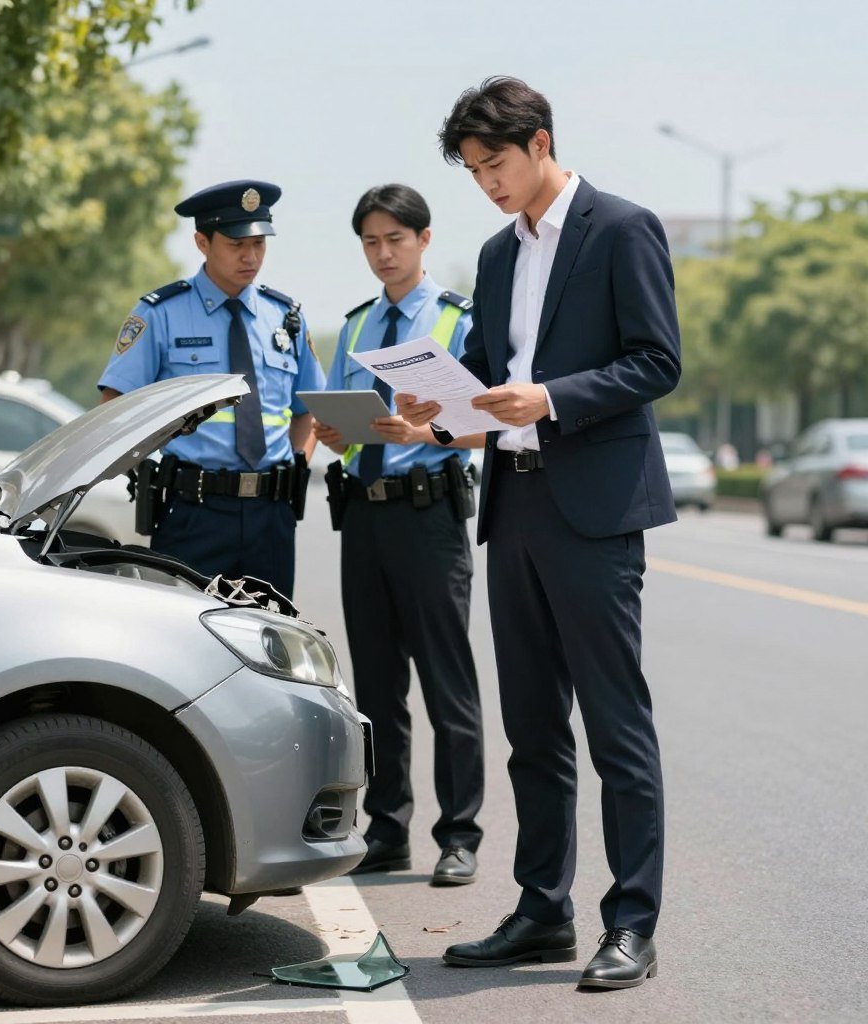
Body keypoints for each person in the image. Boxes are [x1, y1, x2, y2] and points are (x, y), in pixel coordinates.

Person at [397, 78, 681, 989]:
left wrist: (553, 398)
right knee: (531, 729)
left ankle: (631, 923)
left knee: (615, 726)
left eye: (496, 164)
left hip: (594, 510)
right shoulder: (493, 252)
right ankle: (542, 910)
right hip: (512, 504)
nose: (487, 184)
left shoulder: (621, 227)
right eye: (474, 172)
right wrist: (430, 418)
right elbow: (484, 375)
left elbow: (656, 360)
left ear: (541, 142)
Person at [312, 184, 486, 886]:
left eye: (396, 240)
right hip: (366, 514)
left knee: (448, 684)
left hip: (430, 514)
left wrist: (424, 430)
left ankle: (460, 835)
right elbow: (336, 426)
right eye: (371, 242)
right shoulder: (355, 326)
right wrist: (333, 434)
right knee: (378, 687)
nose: (384, 254)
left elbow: (489, 421)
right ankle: (388, 830)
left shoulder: (459, 322)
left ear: (425, 239)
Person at [97, 179, 324, 598]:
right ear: (202, 241)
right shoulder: (160, 314)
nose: (250, 255)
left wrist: (295, 466)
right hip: (192, 510)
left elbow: (308, 408)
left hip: (270, 514)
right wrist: (147, 474)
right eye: (237, 243)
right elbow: (115, 407)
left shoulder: (286, 317)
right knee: (183, 640)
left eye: (259, 243)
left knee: (270, 643)